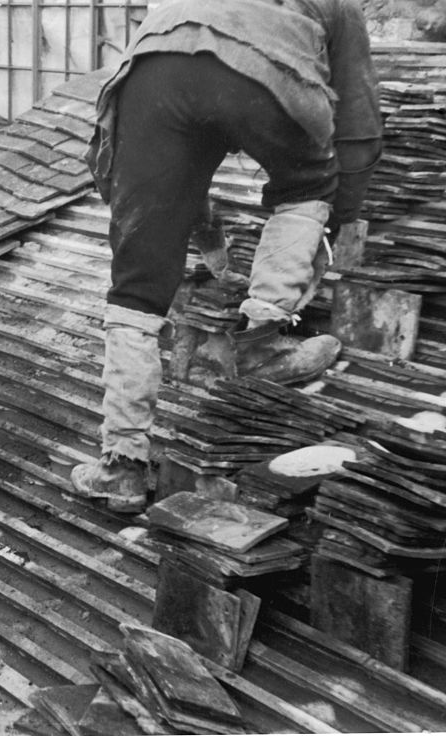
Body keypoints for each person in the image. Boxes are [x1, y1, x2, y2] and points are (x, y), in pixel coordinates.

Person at [72, 0, 383, 511]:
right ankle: (261, 344)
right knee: (307, 184)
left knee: (135, 287)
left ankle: (122, 465)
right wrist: (335, 219)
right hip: (257, 75)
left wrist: (208, 240)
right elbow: (359, 125)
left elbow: (171, 180)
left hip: (151, 75)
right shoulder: (340, 5)